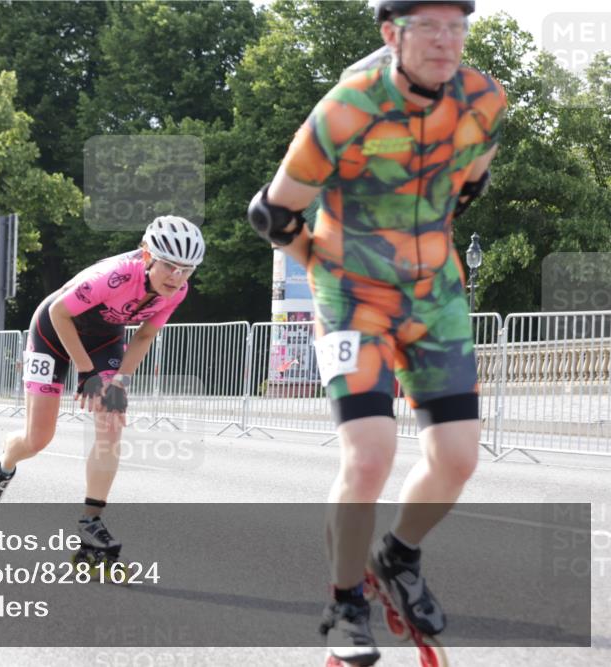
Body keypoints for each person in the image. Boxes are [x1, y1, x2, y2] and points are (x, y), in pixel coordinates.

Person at [246, 2, 505, 664]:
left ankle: (397, 554)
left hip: (436, 297)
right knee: (368, 454)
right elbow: (272, 211)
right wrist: (325, 265)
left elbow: (470, 185)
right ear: (393, 35)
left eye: (457, 26)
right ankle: (343, 604)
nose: (447, 41)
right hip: (353, 297)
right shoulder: (347, 108)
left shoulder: (483, 99)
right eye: (430, 27)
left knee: (458, 456)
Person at [0, 216, 205, 561]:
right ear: (147, 256)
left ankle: (90, 522)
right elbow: (58, 312)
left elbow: (144, 335)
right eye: (170, 266)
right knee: (38, 439)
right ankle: (5, 461)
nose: (177, 277)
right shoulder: (114, 276)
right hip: (54, 332)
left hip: (103, 339)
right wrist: (86, 373)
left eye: (187, 269)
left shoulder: (179, 290)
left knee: (112, 422)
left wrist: (120, 383)